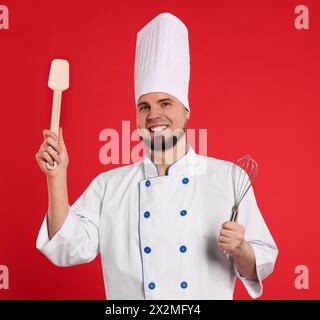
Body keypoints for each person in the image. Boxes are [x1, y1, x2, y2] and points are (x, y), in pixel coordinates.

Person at [34, 12, 278, 300]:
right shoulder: (109, 186)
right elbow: (66, 249)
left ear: (186, 110)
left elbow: (260, 264)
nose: (154, 115)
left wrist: (241, 249)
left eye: (165, 103)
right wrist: (56, 177)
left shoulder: (230, 178)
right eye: (144, 106)